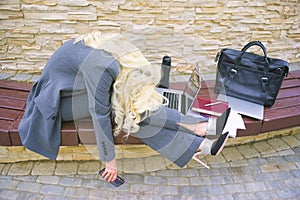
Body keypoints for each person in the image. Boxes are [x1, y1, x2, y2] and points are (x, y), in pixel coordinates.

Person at [18, 31, 231, 183]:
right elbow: (99, 115)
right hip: (57, 101)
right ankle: (197, 134)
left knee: (131, 107)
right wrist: (110, 161)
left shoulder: (119, 54)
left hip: (75, 89)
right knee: (126, 112)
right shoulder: (103, 68)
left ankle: (198, 132)